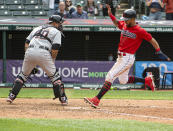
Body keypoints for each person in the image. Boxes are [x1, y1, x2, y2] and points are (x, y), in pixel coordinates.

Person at [84, 4, 171, 108]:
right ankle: (147, 81)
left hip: (127, 57)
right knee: (123, 81)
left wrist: (158, 51)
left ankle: (96, 99)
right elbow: (117, 23)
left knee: (110, 76)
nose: (125, 21)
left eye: (127, 19)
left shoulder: (139, 30)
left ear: (133, 19)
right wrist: (111, 15)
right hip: (121, 57)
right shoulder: (125, 25)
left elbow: (151, 39)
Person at [7, 15, 68, 105]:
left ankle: (11, 96)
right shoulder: (56, 32)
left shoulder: (37, 28)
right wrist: (52, 61)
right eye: (59, 23)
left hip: (29, 50)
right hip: (44, 52)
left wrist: (29, 57)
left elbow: (27, 42)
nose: (60, 25)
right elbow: (55, 48)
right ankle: (63, 99)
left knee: (23, 75)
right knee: (55, 78)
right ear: (54, 23)